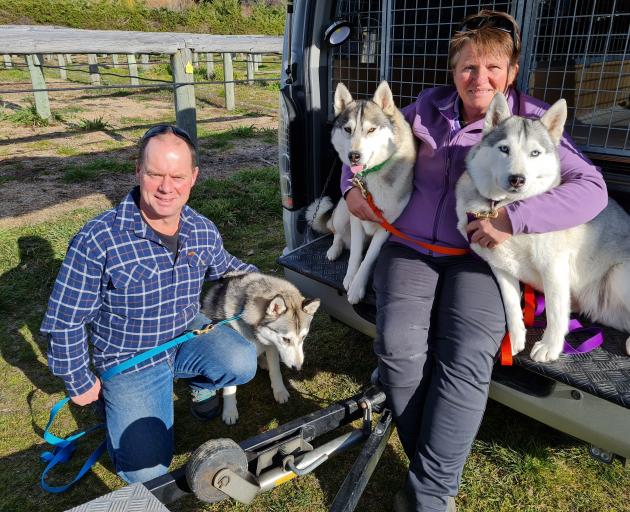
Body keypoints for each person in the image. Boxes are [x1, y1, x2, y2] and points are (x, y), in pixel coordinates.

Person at [341, 10, 607, 512]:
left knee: (465, 356)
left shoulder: (531, 122)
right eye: (467, 67)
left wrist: (512, 221)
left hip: (481, 258)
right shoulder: (425, 109)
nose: (478, 78)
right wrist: (348, 191)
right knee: (397, 349)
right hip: (409, 246)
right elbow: (368, 146)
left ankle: (429, 497)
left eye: (492, 68)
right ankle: (433, 468)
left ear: (510, 74)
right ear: (452, 71)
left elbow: (591, 190)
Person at [41, 125, 258, 484]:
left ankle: (196, 382)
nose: (166, 187)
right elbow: (64, 320)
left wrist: (274, 289)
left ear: (193, 177)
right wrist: (78, 380)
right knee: (146, 471)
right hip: (130, 359)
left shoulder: (202, 229)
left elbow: (228, 268)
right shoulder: (98, 238)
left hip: (185, 335)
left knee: (242, 361)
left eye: (177, 176)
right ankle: (123, 418)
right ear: (138, 171)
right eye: (155, 173)